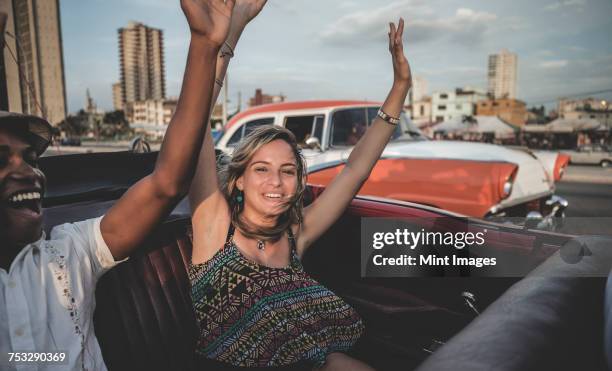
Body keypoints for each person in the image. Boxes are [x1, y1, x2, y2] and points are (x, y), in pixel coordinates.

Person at [0, 0, 238, 369]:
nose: (27, 171)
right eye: (2, 160)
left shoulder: (69, 252)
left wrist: (205, 44)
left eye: (31, 159)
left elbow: (166, 184)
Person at [189, 15, 412, 370]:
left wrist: (400, 86)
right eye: (261, 169)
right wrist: (231, 35)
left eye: (288, 171)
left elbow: (355, 170)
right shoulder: (215, 229)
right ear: (239, 180)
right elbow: (195, 120)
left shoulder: (295, 235)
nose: (276, 182)